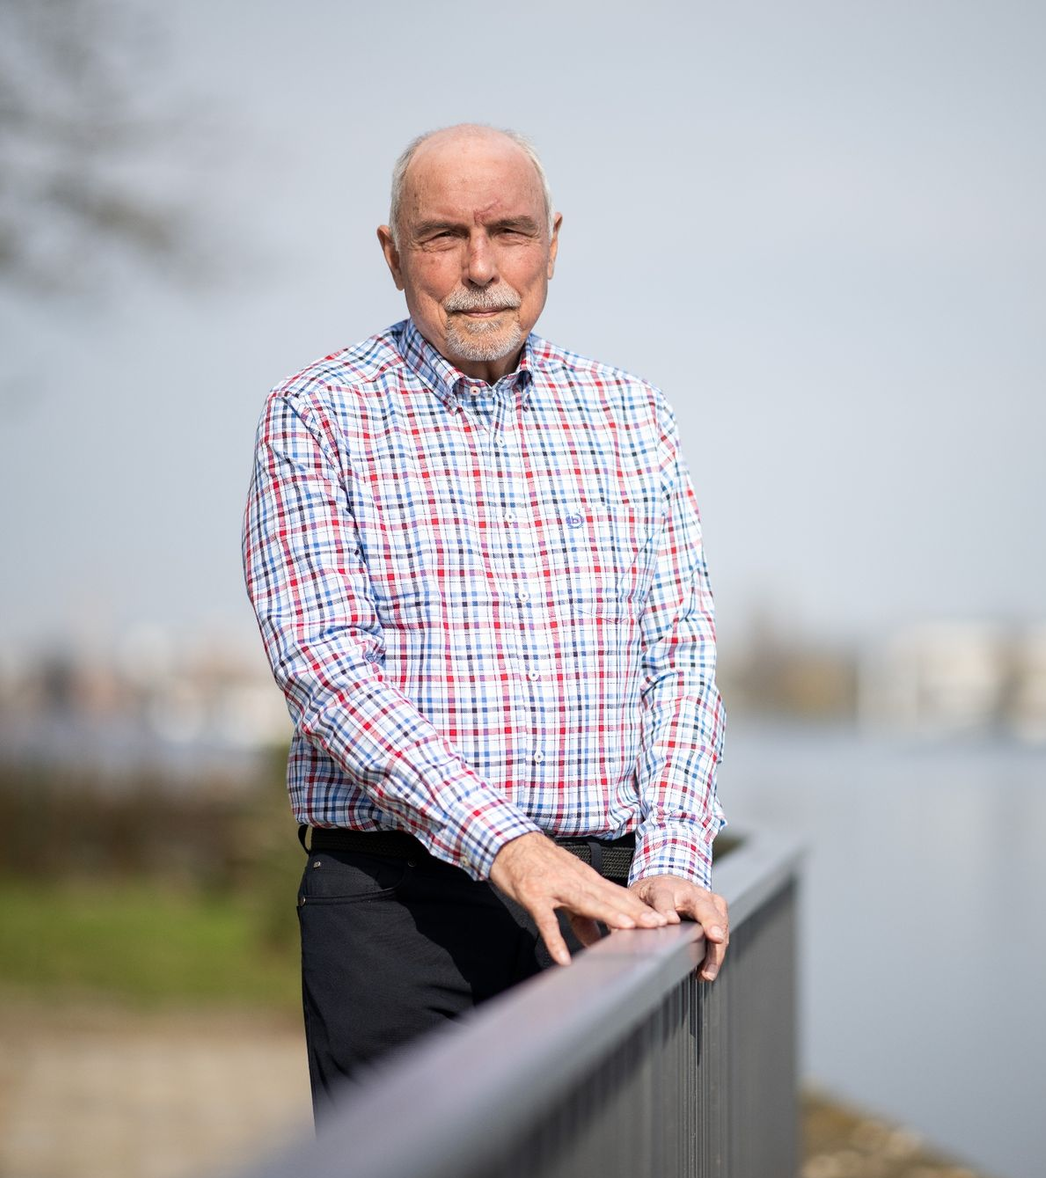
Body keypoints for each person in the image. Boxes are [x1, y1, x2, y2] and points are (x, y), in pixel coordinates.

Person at [242, 124, 728, 1120]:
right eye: (442, 235)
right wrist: (507, 845)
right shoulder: (315, 415)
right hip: (398, 908)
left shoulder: (635, 417)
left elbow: (680, 657)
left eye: (507, 231)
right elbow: (324, 665)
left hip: (607, 898)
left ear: (553, 242)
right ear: (390, 254)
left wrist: (675, 851)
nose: (478, 267)